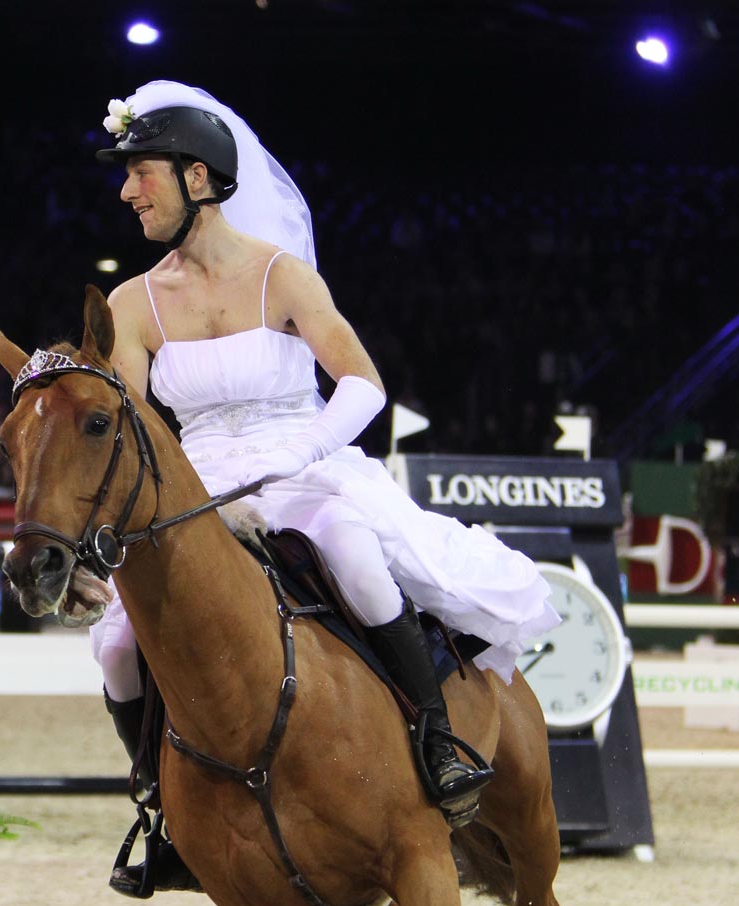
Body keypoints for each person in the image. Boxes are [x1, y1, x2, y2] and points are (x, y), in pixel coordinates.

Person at [91, 80, 559, 840]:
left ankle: (437, 740)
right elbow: (133, 427)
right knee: (114, 645)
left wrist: (296, 453)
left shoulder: (281, 275)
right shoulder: (132, 303)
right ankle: (160, 805)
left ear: (197, 178)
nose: (126, 192)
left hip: (301, 461)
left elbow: (363, 385)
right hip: (202, 483)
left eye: (140, 172)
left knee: (356, 555)